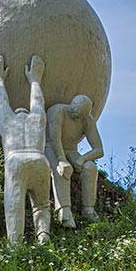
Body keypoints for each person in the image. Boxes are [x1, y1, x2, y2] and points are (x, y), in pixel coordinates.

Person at [0, 53, 51, 246]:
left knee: (14, 206)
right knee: (41, 205)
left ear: (17, 113)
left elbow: (1, 104)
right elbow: (38, 103)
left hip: (16, 161)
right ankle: (43, 239)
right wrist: (35, 80)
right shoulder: (35, 120)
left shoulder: (9, 121)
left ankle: (15, 246)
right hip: (39, 159)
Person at [45, 95, 104, 227]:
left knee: (91, 168)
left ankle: (88, 208)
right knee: (62, 170)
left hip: (72, 150)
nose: (76, 117)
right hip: (51, 147)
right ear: (71, 104)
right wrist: (61, 160)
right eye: (75, 113)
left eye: (79, 116)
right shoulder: (57, 111)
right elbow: (55, 138)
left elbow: (99, 149)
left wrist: (83, 159)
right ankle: (64, 210)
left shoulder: (87, 119)